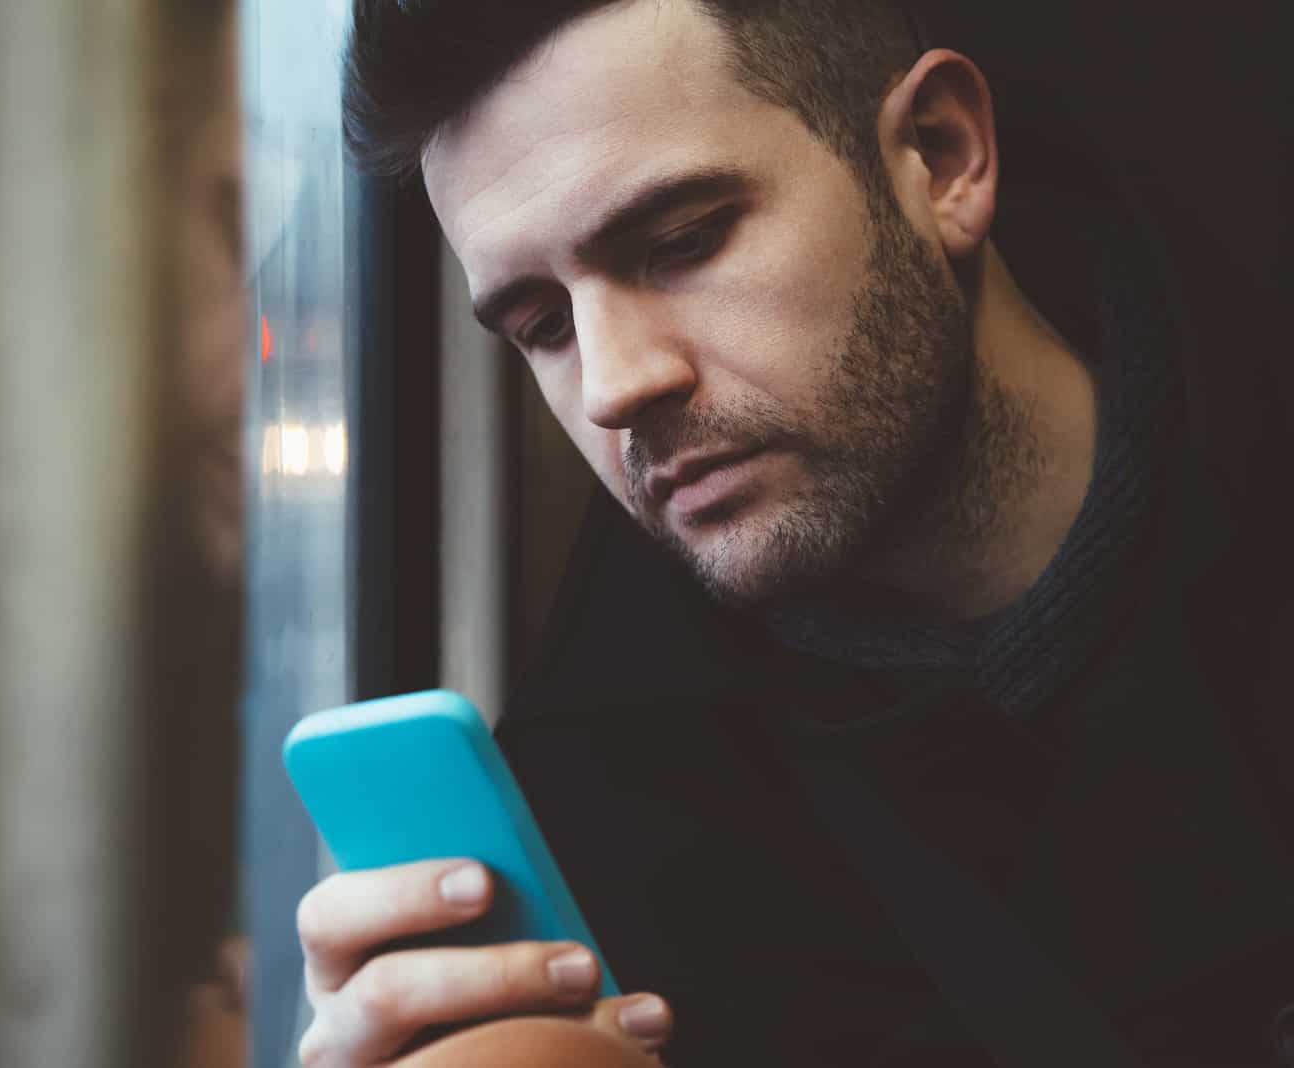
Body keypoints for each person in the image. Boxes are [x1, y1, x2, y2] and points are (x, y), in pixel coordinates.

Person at [294, 1, 1294, 1064]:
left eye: (681, 242)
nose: (617, 385)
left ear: (941, 157)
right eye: (543, 325)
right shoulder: (606, 848)